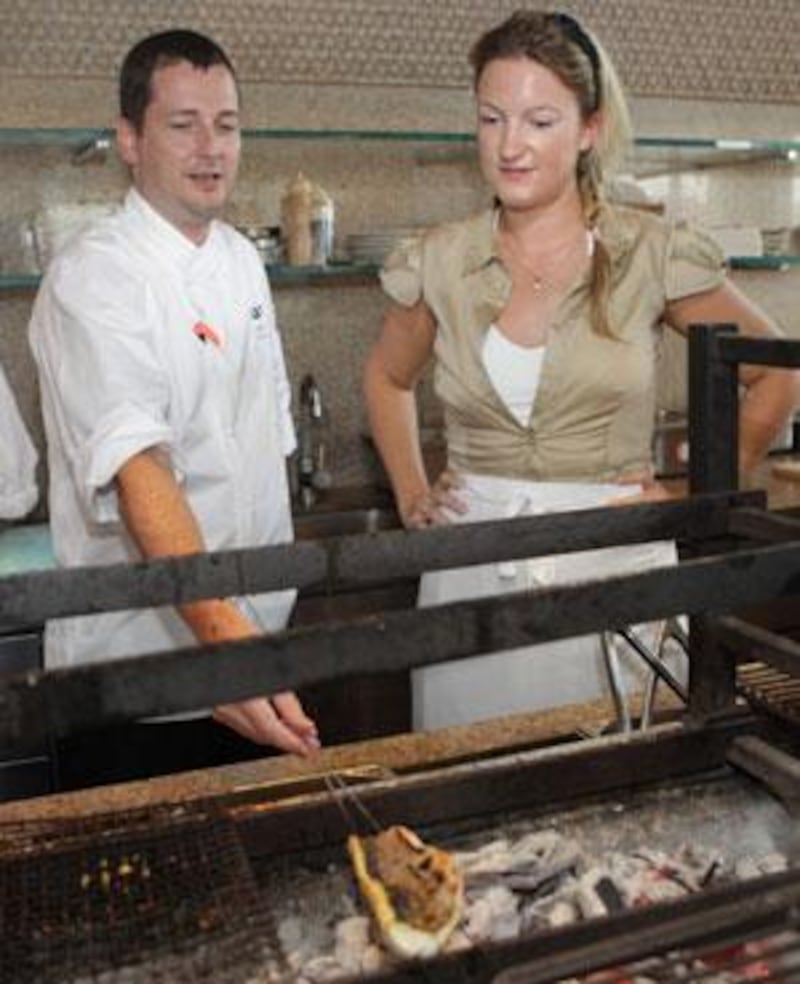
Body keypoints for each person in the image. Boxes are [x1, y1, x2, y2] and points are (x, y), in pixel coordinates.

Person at [364, 10, 799, 731]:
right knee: (466, 793)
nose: (510, 145)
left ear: (589, 129)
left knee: (617, 783)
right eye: (492, 118)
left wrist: (697, 494)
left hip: (615, 564)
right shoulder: (438, 259)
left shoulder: (649, 252)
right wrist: (412, 490)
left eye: (539, 120)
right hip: (472, 568)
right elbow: (386, 377)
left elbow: (775, 371)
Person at [28, 29, 319, 789]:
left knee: (265, 895)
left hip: (252, 660)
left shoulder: (242, 261)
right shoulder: (95, 277)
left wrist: (254, 649)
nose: (210, 147)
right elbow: (140, 474)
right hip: (141, 690)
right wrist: (232, 652)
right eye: (182, 125)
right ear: (129, 140)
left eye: (226, 125)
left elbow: (259, 457)